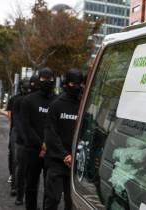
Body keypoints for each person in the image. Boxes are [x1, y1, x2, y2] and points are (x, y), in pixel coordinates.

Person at [44, 68, 83, 210]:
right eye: (73, 84)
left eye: (79, 84)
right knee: (53, 198)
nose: (76, 87)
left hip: (75, 162)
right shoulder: (56, 105)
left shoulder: (82, 106)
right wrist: (64, 155)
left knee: (71, 201)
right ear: (66, 84)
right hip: (57, 161)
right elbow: (50, 133)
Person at [21, 68, 56, 210]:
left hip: (51, 151)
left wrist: (48, 144)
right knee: (31, 185)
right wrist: (41, 144)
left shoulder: (57, 101)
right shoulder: (28, 101)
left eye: (50, 79)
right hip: (33, 150)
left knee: (50, 188)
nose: (47, 82)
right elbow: (26, 126)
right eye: (43, 79)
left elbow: (58, 127)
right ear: (38, 80)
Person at [12, 79, 32, 205]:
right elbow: (16, 119)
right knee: (20, 167)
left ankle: (23, 193)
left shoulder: (32, 100)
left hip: (30, 140)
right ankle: (18, 192)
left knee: (25, 169)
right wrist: (24, 137)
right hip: (21, 139)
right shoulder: (18, 100)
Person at [6, 83, 24, 196]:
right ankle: (15, 177)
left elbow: (9, 115)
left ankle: (13, 175)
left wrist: (12, 126)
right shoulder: (28, 99)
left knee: (13, 155)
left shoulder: (14, 99)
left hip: (15, 130)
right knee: (16, 156)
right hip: (17, 131)